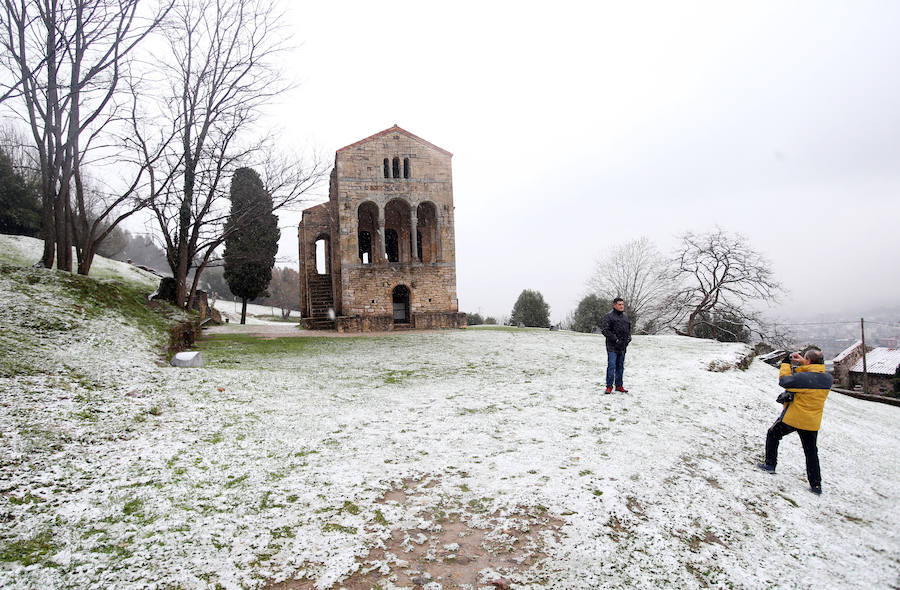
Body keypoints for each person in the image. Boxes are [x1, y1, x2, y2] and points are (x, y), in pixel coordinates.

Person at [757, 348, 833, 494]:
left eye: (806, 359)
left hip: (794, 418)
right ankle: (816, 485)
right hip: (812, 422)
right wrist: (804, 361)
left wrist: (786, 363)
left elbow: (784, 381)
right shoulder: (827, 378)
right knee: (811, 452)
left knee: (773, 434)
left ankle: (770, 465)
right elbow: (812, 374)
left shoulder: (804, 379)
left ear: (809, 361)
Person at [600, 298, 631, 394]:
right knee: (612, 365)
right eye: (619, 304)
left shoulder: (625, 316)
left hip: (622, 346)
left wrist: (628, 338)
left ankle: (619, 385)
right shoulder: (608, 316)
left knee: (620, 366)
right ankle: (609, 386)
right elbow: (605, 330)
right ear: (614, 305)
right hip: (612, 346)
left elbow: (628, 329)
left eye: (622, 304)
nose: (621, 306)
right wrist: (615, 339)